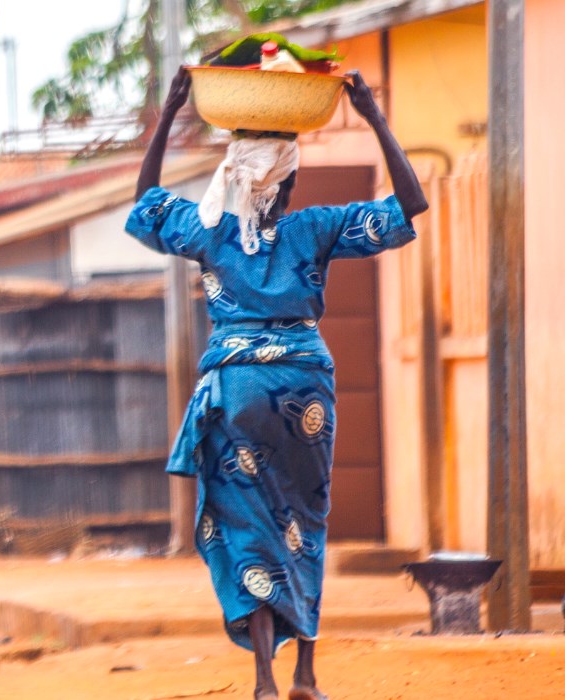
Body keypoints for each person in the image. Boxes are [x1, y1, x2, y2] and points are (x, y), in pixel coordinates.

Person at [129, 68, 424, 700]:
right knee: (305, 521)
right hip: (302, 386)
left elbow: (144, 201)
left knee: (250, 529)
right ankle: (306, 675)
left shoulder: (206, 230)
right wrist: (372, 116)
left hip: (235, 388)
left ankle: (264, 678)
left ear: (233, 176)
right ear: (288, 179)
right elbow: (409, 206)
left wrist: (173, 112)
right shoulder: (312, 229)